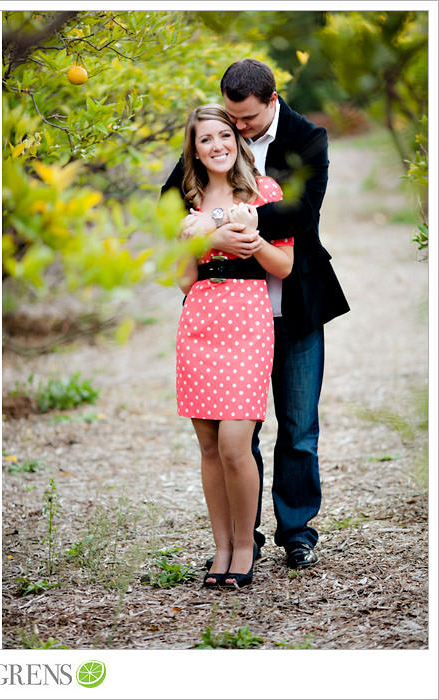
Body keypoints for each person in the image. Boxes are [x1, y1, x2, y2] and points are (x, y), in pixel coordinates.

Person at [163, 59, 349, 570]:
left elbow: (303, 213)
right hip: (224, 313)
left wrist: (223, 223)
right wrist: (197, 230)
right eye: (230, 119)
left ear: (271, 101)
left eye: (245, 121)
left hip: (295, 302)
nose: (238, 130)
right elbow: (173, 199)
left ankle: (296, 532)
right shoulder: (219, 136)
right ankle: (249, 534)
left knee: (297, 424)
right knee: (237, 432)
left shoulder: (307, 138)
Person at [175, 104, 292, 588]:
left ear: (237, 139)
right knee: (207, 445)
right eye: (206, 139)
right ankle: (220, 549)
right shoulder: (189, 198)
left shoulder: (265, 191)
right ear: (195, 149)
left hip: (247, 318)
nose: (217, 145)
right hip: (199, 318)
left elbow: (282, 267)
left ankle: (246, 546)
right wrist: (201, 241)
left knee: (234, 445)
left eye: (224, 135)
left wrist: (248, 239)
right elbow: (181, 282)